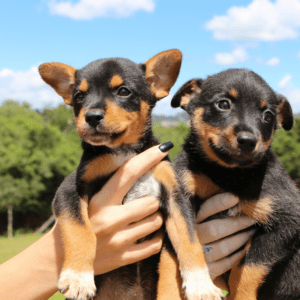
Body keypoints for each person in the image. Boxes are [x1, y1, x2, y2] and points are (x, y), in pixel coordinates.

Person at [0, 144, 255, 300]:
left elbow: (180, 213)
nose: (95, 109)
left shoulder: (163, 167)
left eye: (123, 93)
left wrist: (196, 272)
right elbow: (67, 197)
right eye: (81, 97)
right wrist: (67, 260)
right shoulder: (93, 163)